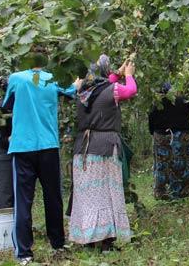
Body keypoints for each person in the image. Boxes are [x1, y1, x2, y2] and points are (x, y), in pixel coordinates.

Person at [2, 46, 79, 265]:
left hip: (23, 146)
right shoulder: (53, 79)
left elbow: (5, 105)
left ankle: (24, 252)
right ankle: (57, 243)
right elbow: (74, 90)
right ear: (46, 59)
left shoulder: (16, 78)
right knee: (53, 196)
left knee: (23, 200)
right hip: (47, 145)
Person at [68, 55, 137, 250]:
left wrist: (117, 74)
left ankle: (88, 238)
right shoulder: (111, 90)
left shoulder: (82, 90)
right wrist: (129, 75)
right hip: (105, 149)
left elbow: (104, 86)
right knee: (107, 193)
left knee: (87, 195)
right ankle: (107, 241)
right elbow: (130, 90)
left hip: (83, 149)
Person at [148, 83, 189, 200]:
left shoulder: (156, 103)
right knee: (187, 164)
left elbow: (151, 121)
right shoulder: (182, 99)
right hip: (182, 137)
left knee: (163, 166)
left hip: (162, 138)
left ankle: (164, 194)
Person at [0, 76, 15, 210]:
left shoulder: (23, 103)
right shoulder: (0, 107)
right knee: (5, 194)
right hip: (5, 151)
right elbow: (1, 136)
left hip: (22, 152)